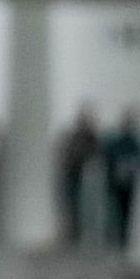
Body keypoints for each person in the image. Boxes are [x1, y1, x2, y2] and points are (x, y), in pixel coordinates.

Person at [101, 109, 140, 251]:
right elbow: (107, 156)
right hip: (114, 181)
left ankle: (123, 241)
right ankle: (112, 238)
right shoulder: (115, 140)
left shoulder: (136, 143)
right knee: (113, 210)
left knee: (126, 212)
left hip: (129, 183)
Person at [54, 105, 101, 250]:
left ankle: (82, 234)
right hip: (71, 174)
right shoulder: (74, 135)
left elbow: (95, 153)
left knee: (84, 206)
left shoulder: (91, 137)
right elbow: (65, 152)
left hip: (85, 176)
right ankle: (71, 233)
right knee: (70, 204)